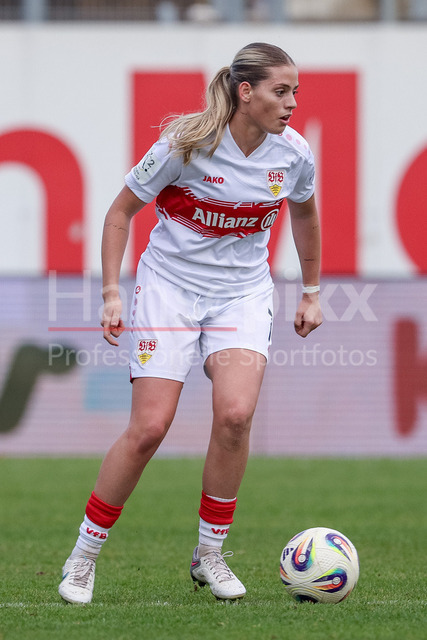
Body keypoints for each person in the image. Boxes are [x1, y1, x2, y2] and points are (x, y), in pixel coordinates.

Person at [58, 41, 322, 605]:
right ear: (245, 92)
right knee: (150, 427)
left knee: (235, 416)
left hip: (242, 295)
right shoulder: (185, 144)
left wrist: (312, 291)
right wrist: (111, 293)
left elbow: (304, 213)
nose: (292, 103)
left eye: (295, 92)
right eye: (281, 91)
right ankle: (83, 557)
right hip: (169, 290)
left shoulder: (294, 153)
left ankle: (210, 554)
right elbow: (119, 213)